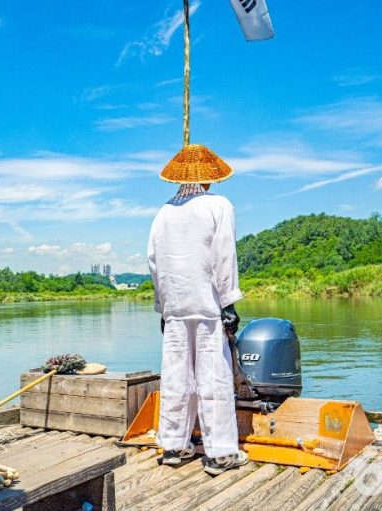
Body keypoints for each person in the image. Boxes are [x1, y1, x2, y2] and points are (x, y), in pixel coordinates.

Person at [147, 144, 247, 476]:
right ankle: (219, 453)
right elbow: (223, 257)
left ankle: (173, 446)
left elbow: (154, 264)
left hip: (175, 306)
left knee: (175, 375)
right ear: (209, 177)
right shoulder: (219, 206)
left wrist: (163, 307)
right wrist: (228, 301)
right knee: (213, 375)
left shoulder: (163, 212)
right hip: (207, 304)